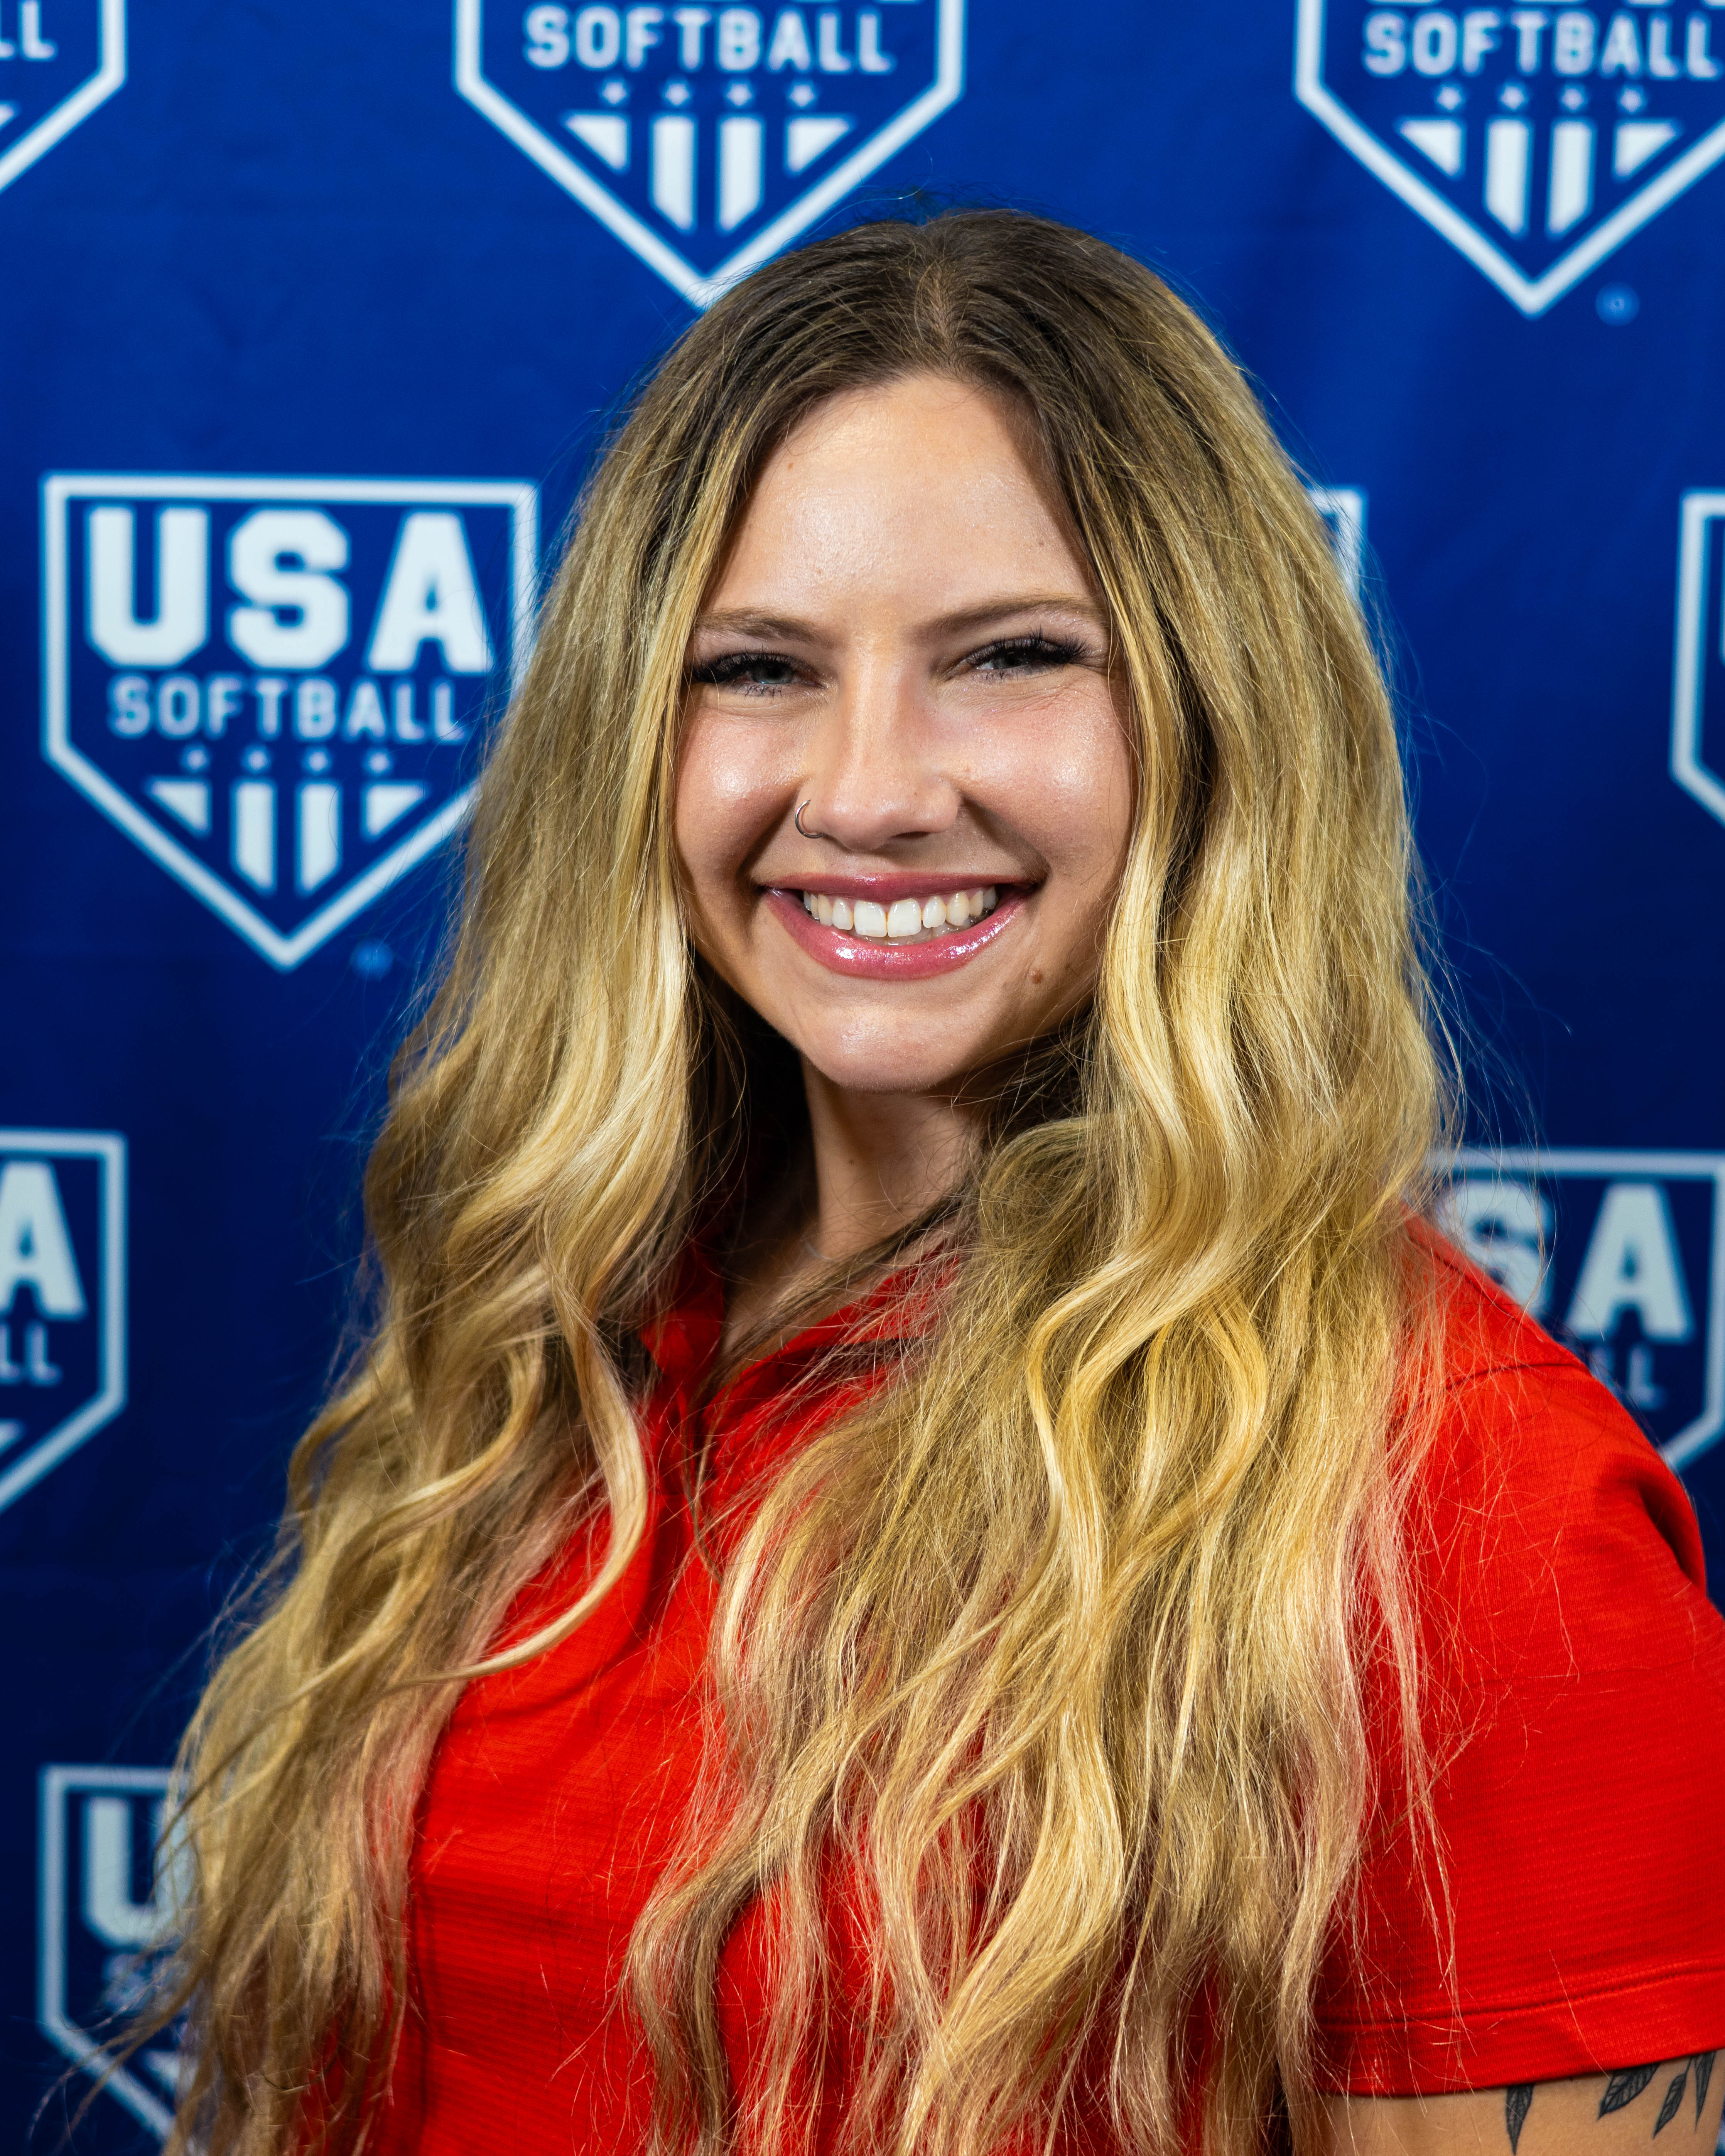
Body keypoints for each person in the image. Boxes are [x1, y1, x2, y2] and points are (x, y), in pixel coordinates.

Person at [156, 213, 1725, 2156]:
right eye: (757, 669)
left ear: (1217, 714)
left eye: (1009, 657)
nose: (870, 791)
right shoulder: (560, 1334)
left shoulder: (1461, 1503)